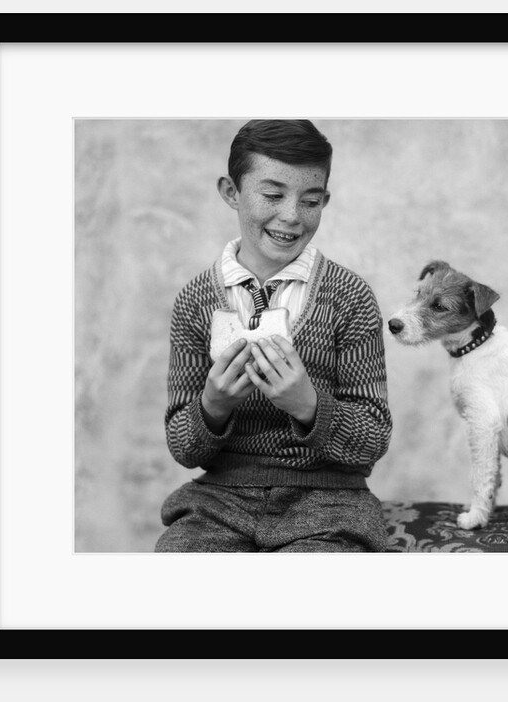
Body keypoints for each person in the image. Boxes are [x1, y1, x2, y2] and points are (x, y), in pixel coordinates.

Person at [155, 119, 393, 552]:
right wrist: (213, 405)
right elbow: (184, 449)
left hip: (330, 507)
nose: (292, 216)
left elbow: (372, 440)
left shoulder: (350, 297)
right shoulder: (194, 301)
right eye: (272, 195)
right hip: (218, 505)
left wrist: (308, 405)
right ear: (232, 192)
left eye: (311, 200)